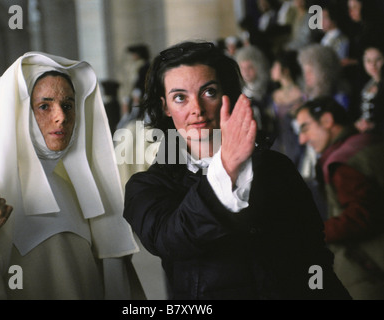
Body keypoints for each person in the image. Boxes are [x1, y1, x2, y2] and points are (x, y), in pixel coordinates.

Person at [123, 40, 351, 300]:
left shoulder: (276, 167)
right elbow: (171, 239)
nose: (196, 108)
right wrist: (227, 166)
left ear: (226, 94)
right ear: (165, 107)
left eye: (208, 92)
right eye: (180, 98)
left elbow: (313, 252)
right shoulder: (146, 186)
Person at [0, 52, 143, 299]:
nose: (61, 117)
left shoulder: (83, 194)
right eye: (44, 106)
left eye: (68, 105)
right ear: (17, 115)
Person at [295, 96, 384, 299]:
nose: (302, 139)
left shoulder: (342, 163)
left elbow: (363, 216)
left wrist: (315, 233)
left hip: (369, 275)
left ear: (327, 121)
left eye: (305, 128)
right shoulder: (367, 142)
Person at [269, 50, 305, 168]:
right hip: (278, 143)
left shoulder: (301, 93)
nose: (272, 70)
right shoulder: (274, 95)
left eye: (275, 66)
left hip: (297, 142)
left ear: (285, 69)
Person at [354, 45, 384, 133]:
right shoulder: (364, 85)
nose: (373, 65)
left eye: (378, 60)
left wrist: (373, 126)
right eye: (368, 61)